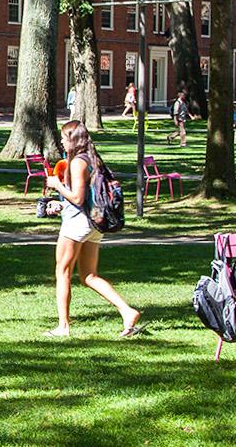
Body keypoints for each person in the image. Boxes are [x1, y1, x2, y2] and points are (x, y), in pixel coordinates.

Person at [44, 120, 143, 338]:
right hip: (94, 223)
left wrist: (57, 185)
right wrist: (60, 204)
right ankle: (127, 311)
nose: (61, 141)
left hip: (77, 224)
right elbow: (86, 196)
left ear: (73, 139)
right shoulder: (92, 159)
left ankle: (63, 326)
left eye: (63, 137)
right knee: (88, 275)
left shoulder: (77, 163)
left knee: (62, 272)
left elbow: (78, 198)